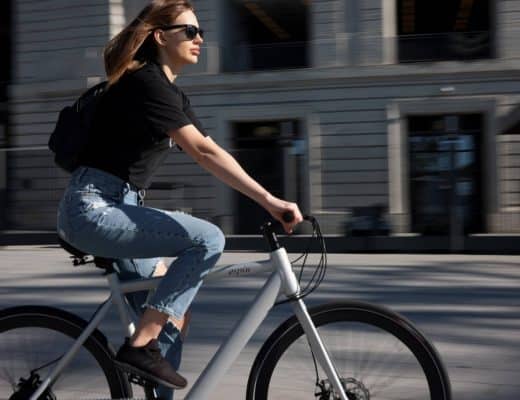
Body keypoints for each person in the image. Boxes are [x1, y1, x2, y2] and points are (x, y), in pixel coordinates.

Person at [56, 1, 303, 399]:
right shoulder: (146, 82)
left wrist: (266, 198)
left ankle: (148, 350)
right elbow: (202, 155)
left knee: (171, 321)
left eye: (200, 31)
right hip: (94, 208)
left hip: (118, 207)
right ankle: (139, 346)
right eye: (189, 31)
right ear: (160, 37)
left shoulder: (167, 91)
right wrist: (271, 200)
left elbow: (211, 147)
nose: (199, 38)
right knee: (208, 239)